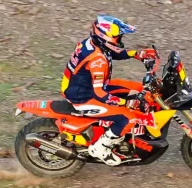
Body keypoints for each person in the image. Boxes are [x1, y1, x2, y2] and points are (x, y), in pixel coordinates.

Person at [60, 15, 158, 165]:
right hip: (84, 97)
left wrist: (136, 54)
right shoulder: (97, 61)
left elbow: (111, 53)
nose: (119, 39)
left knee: (137, 88)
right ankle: (101, 148)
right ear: (104, 37)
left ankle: (119, 137)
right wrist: (126, 103)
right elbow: (100, 94)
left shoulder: (92, 44)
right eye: (117, 37)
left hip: (85, 87)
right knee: (129, 117)